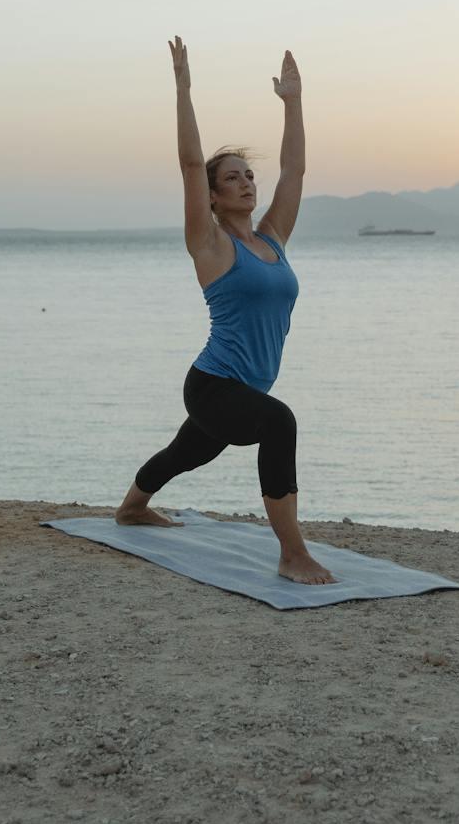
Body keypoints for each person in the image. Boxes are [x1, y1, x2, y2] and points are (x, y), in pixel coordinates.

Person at [114, 36, 337, 586]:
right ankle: (292, 553)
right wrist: (183, 88)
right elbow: (190, 163)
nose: (245, 182)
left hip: (242, 388)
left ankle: (131, 508)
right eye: (231, 177)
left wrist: (293, 102)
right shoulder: (210, 246)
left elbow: (295, 172)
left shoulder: (273, 238)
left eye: (247, 175)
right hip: (214, 384)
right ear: (212, 196)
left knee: (185, 454)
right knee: (277, 423)